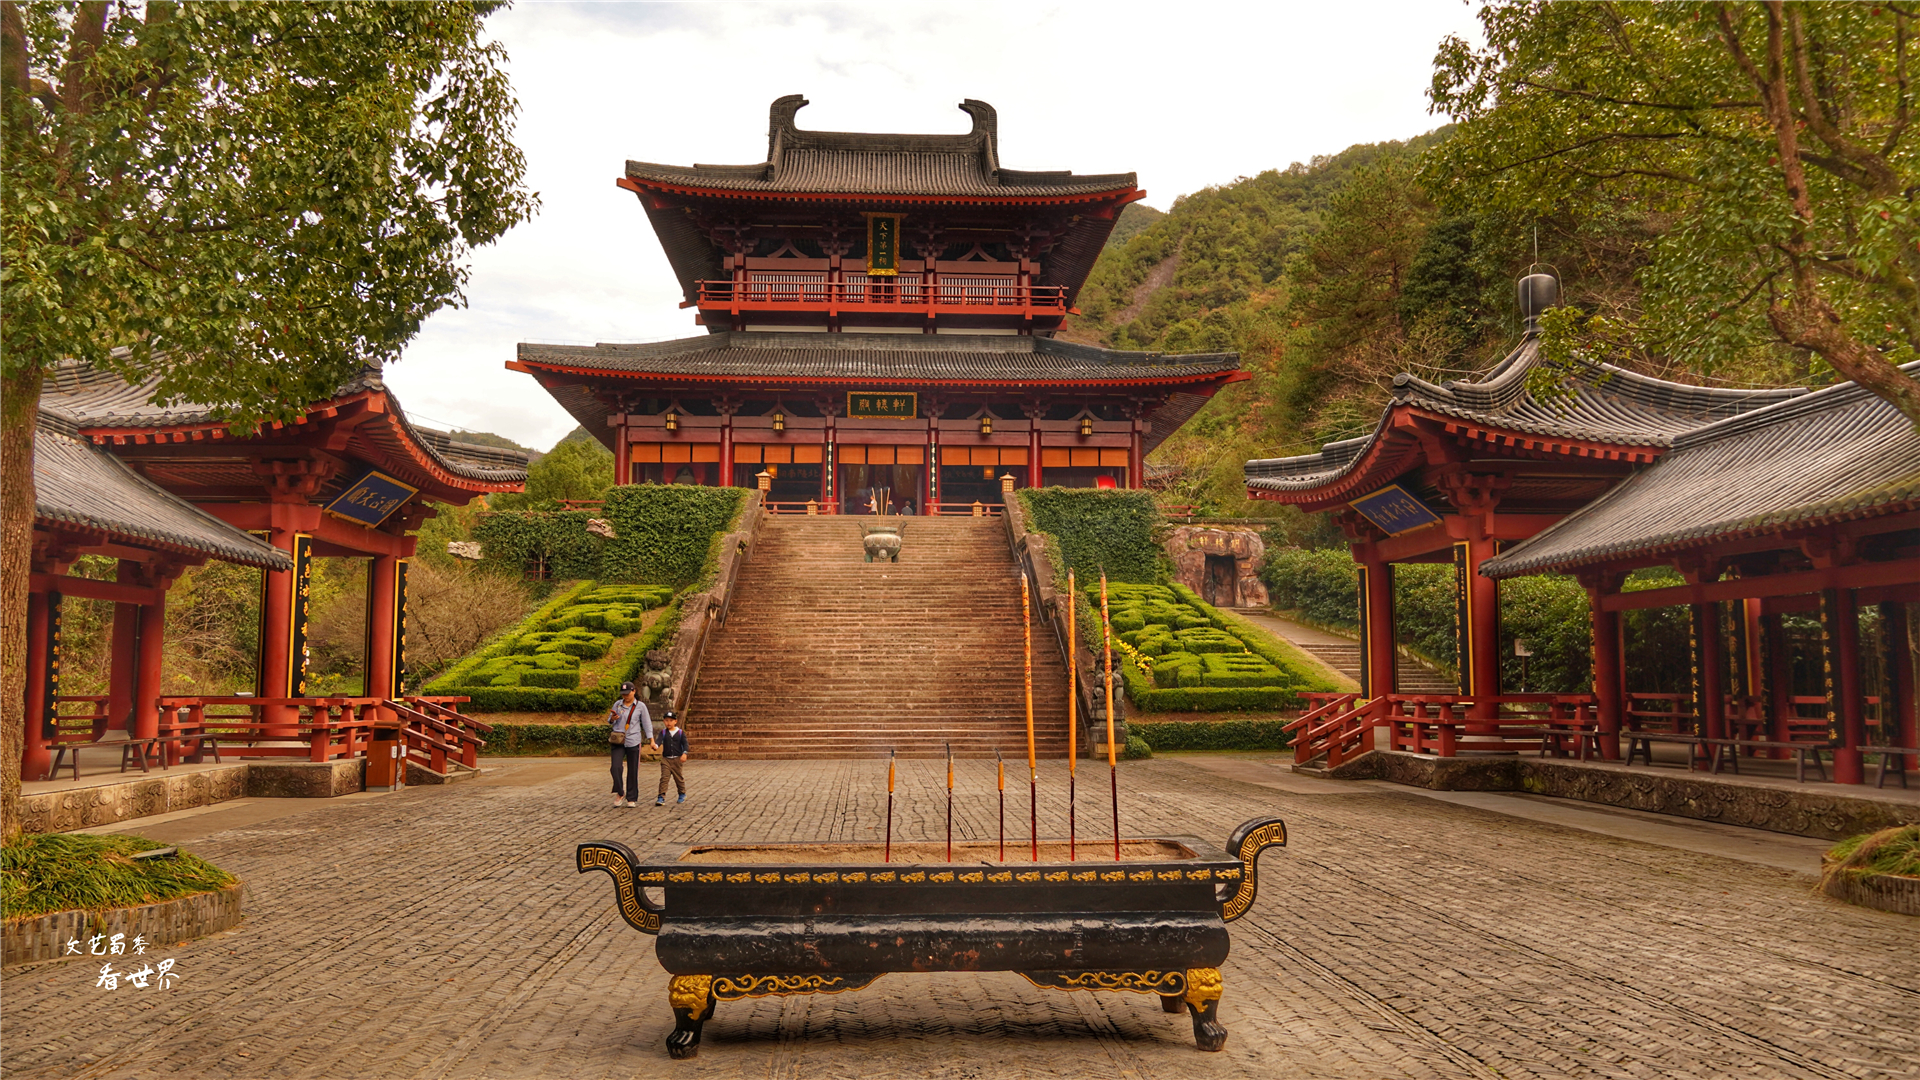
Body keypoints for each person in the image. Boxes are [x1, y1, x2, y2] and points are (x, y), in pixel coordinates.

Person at [607, 682, 652, 807]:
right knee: (615, 767)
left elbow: (646, 724)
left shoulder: (640, 706)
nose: (625, 696)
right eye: (623, 694)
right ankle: (620, 792)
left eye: (627, 693)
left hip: (633, 740)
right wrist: (613, 718)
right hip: (618, 740)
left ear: (634, 691)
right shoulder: (617, 704)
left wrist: (651, 739)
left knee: (633, 770)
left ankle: (631, 797)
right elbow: (610, 720)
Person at [654, 710, 689, 806]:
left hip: (677, 759)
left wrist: (684, 753)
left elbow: (685, 744)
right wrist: (655, 746)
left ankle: (682, 793)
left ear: (675, 721)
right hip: (666, 759)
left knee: (678, 778)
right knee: (664, 778)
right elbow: (658, 741)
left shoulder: (680, 733)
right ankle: (661, 796)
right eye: (666, 720)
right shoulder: (663, 733)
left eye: (670, 720)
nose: (668, 723)